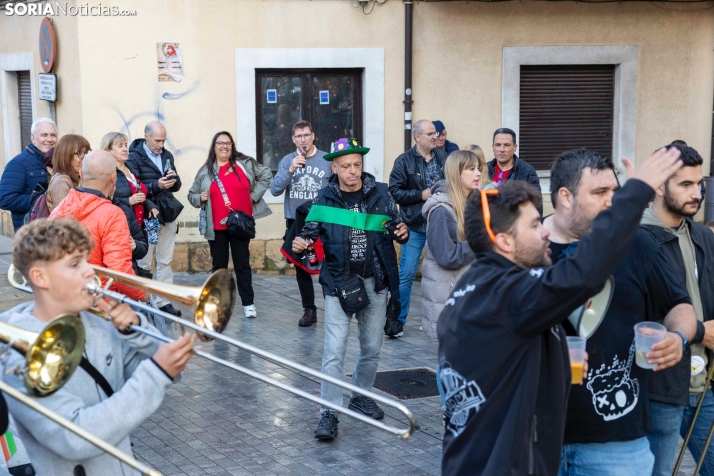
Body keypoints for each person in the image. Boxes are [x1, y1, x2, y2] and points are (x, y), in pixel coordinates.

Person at [438, 147, 685, 476]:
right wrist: (636, 192)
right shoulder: (505, 294)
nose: (545, 232)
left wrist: (554, 361)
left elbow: (500, 367)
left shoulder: (480, 287)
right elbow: (583, 274)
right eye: (535, 224)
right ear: (505, 242)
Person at [0, 217, 195, 476]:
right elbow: (74, 439)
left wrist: (137, 331)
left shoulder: (98, 322)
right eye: (74, 264)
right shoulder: (18, 353)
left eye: (85, 260)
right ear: (40, 277)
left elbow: (169, 372)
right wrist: (158, 372)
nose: (90, 271)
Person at [542, 149, 696, 476]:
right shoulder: (530, 248)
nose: (613, 201)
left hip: (618, 441)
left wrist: (677, 336)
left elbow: (679, 306)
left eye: (616, 191)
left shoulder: (637, 244)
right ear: (565, 197)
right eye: (600, 193)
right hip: (537, 436)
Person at [292, 138, 409, 440]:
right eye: (346, 166)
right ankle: (328, 412)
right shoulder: (324, 198)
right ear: (334, 167)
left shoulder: (381, 194)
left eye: (357, 165)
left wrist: (403, 232)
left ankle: (360, 395)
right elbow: (307, 237)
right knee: (334, 351)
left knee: (371, 349)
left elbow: (398, 229)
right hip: (339, 284)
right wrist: (301, 244)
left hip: (376, 282)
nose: (353, 171)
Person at [641, 143, 714, 476]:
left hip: (706, 383)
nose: (697, 193)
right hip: (659, 388)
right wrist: (699, 330)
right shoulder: (636, 237)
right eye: (685, 184)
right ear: (659, 186)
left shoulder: (702, 234)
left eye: (700, 183)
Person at [188, 131, 272, 319]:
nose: (224, 146)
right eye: (220, 143)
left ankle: (248, 304)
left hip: (240, 225)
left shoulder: (244, 164)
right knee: (219, 268)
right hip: (216, 226)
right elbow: (191, 195)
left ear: (232, 146)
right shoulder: (205, 171)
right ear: (214, 146)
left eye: (228, 143)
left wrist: (253, 196)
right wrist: (199, 198)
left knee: (242, 264)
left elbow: (266, 174)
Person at [49, 150, 147, 303]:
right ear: (113, 178)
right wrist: (142, 294)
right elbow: (119, 270)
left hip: (64, 299)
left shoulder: (60, 208)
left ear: (81, 174)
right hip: (100, 303)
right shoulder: (113, 214)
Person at [270, 120, 332, 327]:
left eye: (306, 135)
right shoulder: (288, 160)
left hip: (322, 220)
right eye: (299, 136)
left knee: (328, 265)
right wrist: (290, 170)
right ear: (293, 139)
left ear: (313, 135)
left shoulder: (326, 160)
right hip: (296, 221)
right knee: (301, 268)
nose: (303, 139)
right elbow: (275, 190)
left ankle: (332, 307)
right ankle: (309, 310)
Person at [388, 119, 447, 336]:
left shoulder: (442, 157)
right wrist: (420, 195)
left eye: (436, 133)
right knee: (407, 274)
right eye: (430, 133)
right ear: (417, 137)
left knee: (439, 275)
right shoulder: (404, 161)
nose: (435, 137)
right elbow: (394, 191)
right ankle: (397, 321)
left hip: (439, 226)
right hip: (414, 226)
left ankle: (435, 321)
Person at [127, 121, 182, 317]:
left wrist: (174, 180)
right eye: (157, 140)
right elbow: (135, 185)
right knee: (143, 261)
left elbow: (177, 186)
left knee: (165, 260)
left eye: (163, 140)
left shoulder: (167, 155)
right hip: (146, 215)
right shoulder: (134, 157)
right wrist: (157, 185)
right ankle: (144, 300)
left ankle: (163, 301)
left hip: (167, 214)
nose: (161, 145)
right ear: (146, 136)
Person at [102, 132, 157, 273]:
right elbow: (105, 200)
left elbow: (139, 192)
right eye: (120, 146)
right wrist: (129, 201)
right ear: (108, 150)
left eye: (126, 145)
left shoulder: (130, 169)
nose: (125, 149)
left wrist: (149, 205)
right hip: (122, 227)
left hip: (137, 227)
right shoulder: (107, 172)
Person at [0, 118, 56, 231]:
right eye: (44, 135)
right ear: (33, 138)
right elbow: (5, 199)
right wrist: (42, 201)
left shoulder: (56, 161)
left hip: (51, 231)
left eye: (53, 135)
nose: (49, 139)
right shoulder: (18, 164)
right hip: (30, 235)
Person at [487, 127, 542, 214]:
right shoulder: (484, 170)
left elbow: (536, 207)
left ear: (515, 147)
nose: (502, 149)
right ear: (493, 147)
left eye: (506, 145)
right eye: (498, 145)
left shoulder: (527, 171)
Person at [46, 134, 91, 212]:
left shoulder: (69, 179)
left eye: (86, 152)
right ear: (66, 156)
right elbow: (63, 219)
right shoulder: (62, 182)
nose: (85, 157)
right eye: (79, 153)